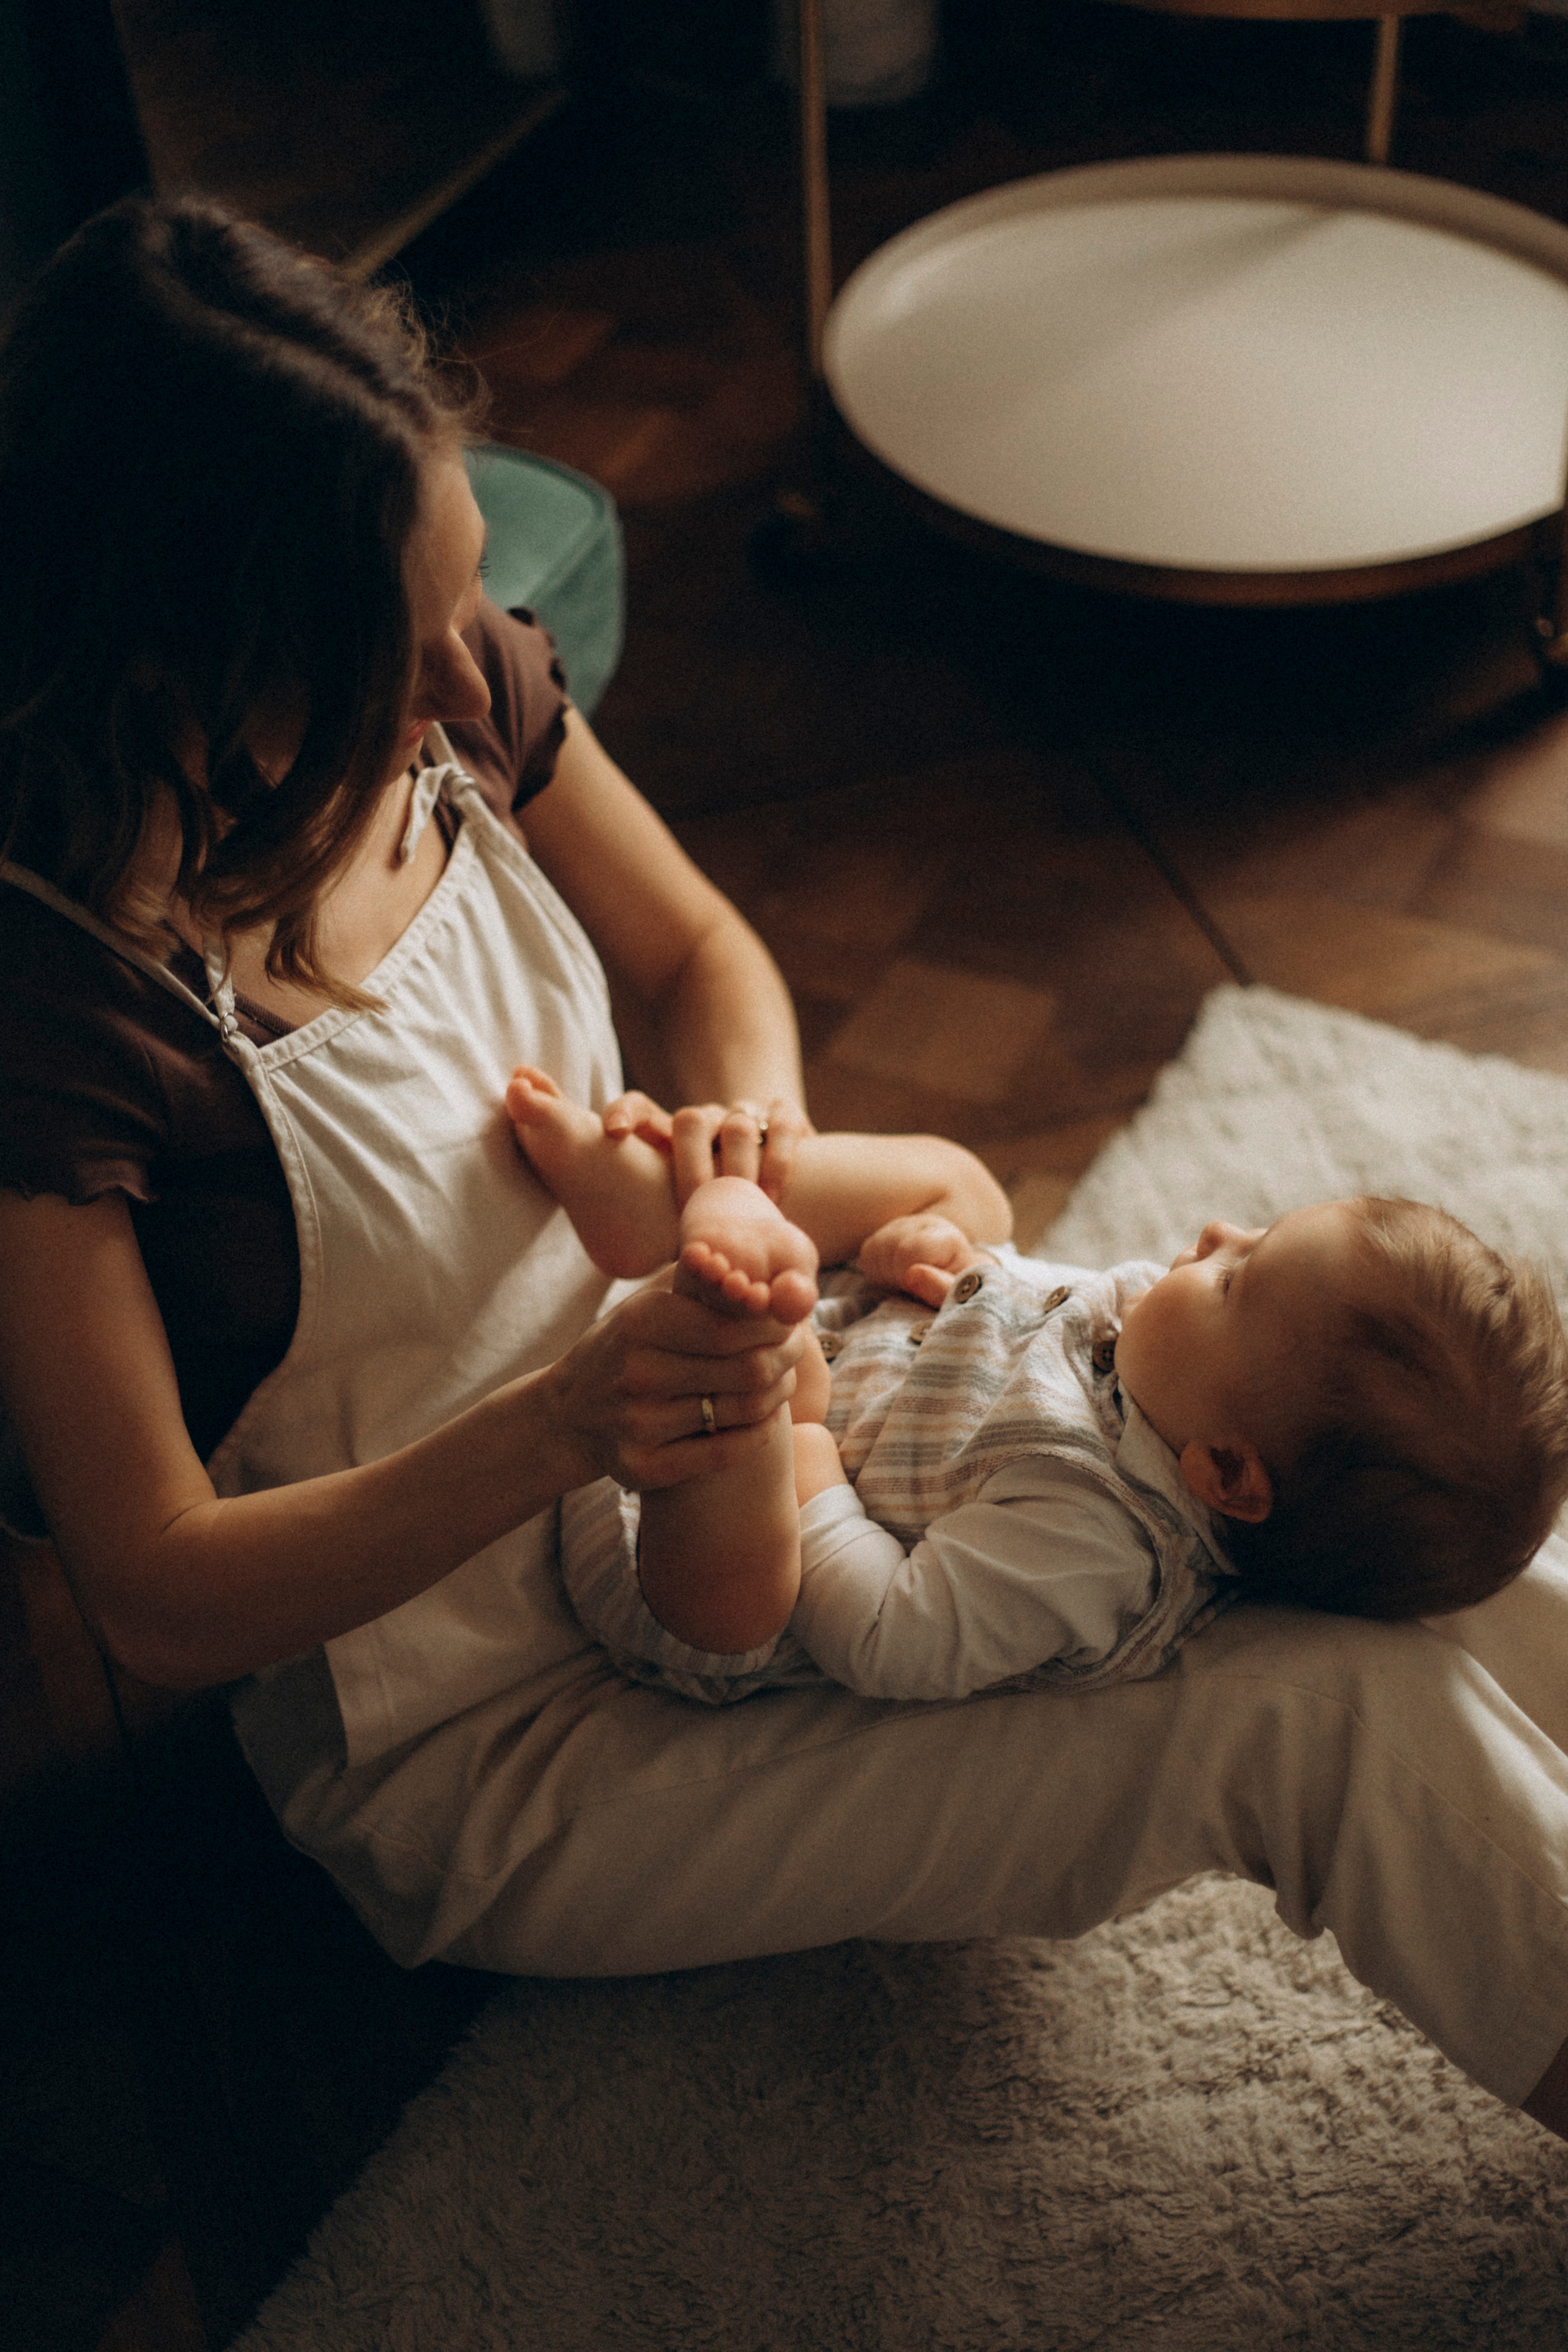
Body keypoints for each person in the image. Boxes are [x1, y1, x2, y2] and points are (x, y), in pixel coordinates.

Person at [4, 196, 1568, 2149]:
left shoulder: (450, 688)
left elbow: (698, 958)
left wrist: (753, 1156)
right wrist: (580, 1417)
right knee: (1322, 1715)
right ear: (186, 661)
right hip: (507, 1735)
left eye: (462, 595)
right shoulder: (59, 1023)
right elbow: (149, 1595)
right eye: (383, 654)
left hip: (768, 1409)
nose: (464, 678)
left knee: (1382, 1481)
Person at [506, 1070, 1568, 1702]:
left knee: (760, 1418)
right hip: (845, 1336)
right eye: (1255, 1234)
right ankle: (656, 1210)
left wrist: (809, 1444)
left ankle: (724, 1271)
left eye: (1237, 1277)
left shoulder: (1092, 1538)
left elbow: (888, 1635)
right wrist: (931, 1257)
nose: (1212, 1236)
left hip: (683, 1563)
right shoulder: (1168, 1359)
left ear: (1228, 1474)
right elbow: (1011, 1296)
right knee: (964, 1185)